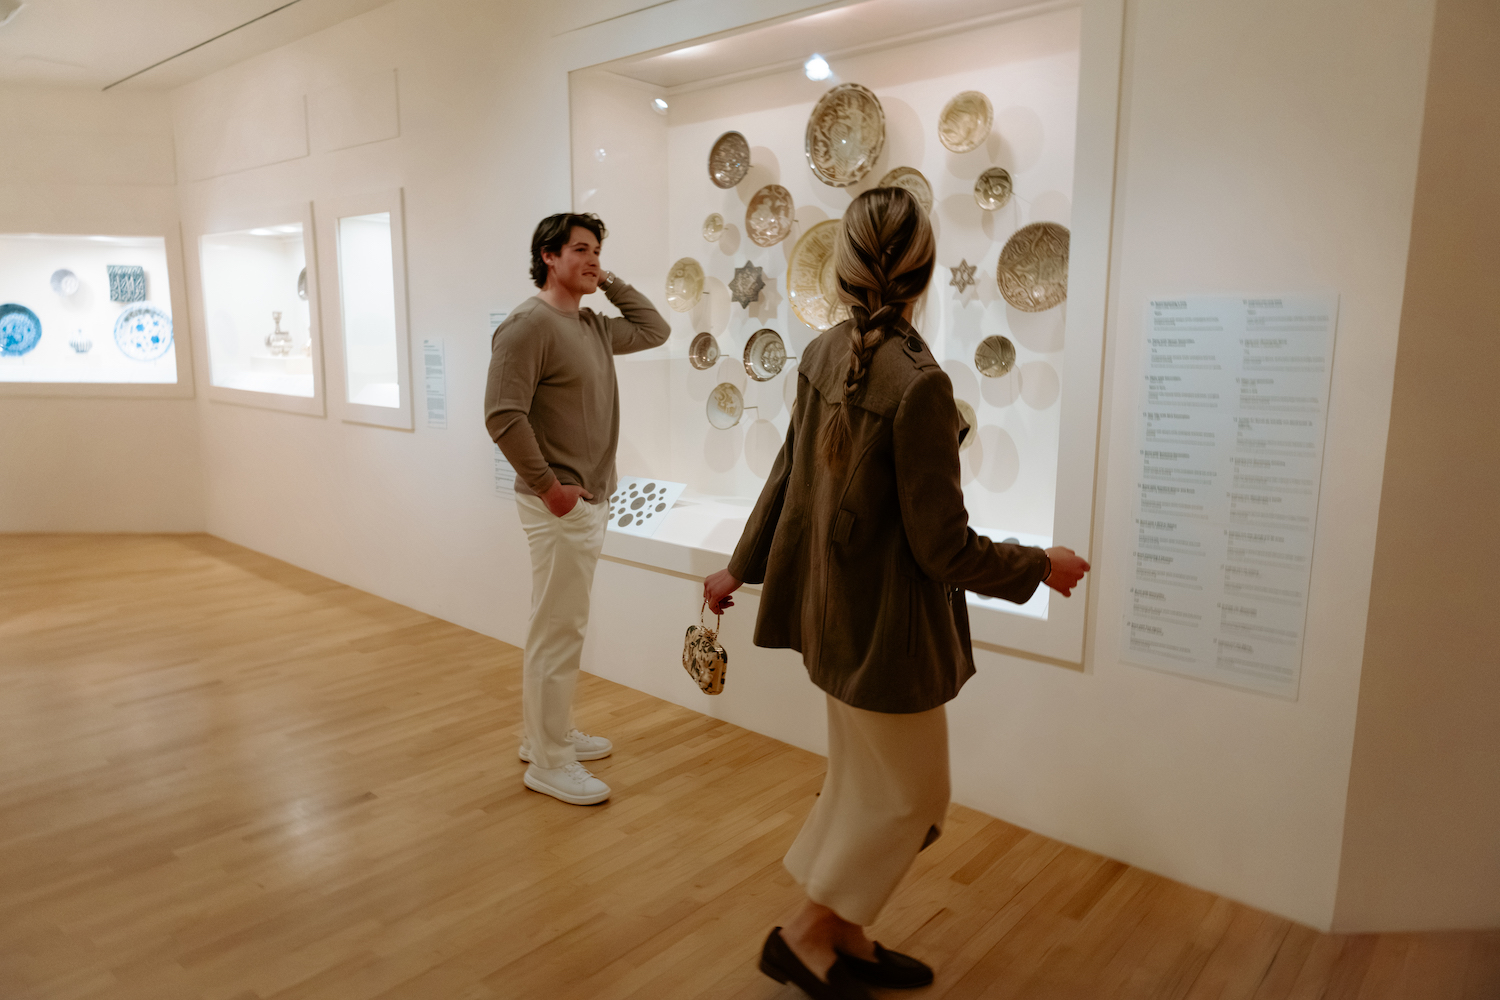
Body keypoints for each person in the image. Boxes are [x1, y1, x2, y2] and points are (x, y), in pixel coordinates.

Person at [703, 188, 1090, 999]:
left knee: (862, 784)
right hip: (884, 638)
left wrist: (740, 566)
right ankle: (805, 934)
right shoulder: (919, 385)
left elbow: (783, 480)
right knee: (914, 800)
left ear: (842, 271)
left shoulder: (818, 355)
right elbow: (943, 548)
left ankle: (847, 934)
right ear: (925, 271)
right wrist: (1040, 564)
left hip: (832, 623)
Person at [485, 212, 670, 806]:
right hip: (560, 504)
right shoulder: (527, 326)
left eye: (597, 252)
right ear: (547, 256)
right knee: (558, 630)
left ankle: (548, 734)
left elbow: (656, 329)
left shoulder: (590, 325)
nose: (592, 260)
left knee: (560, 625)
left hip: (587, 499)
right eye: (581, 251)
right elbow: (502, 415)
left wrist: (605, 280)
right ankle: (548, 760)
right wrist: (551, 489)